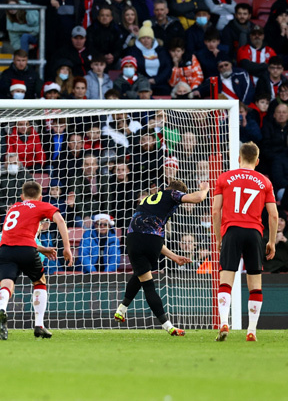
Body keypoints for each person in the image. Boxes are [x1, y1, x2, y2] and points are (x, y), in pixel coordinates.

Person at [114, 179, 210, 336]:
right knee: (148, 286)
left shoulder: (149, 199)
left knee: (141, 274)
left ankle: (121, 309)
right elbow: (198, 198)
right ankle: (169, 327)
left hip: (131, 239)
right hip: (151, 241)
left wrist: (173, 256)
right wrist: (204, 189)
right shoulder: (172, 194)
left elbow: (148, 233)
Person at [212, 142, 278, 342]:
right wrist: (272, 242)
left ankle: (224, 322)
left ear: (239, 159)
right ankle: (251, 331)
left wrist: (218, 238)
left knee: (226, 281)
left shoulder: (225, 178)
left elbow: (216, 210)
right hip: (254, 233)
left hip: (232, 231)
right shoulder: (265, 181)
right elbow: (273, 215)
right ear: (257, 161)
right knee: (255, 284)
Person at [0, 181, 73, 340]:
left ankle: (2, 310)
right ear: (40, 196)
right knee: (39, 282)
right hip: (27, 250)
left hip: (4, 250)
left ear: (22, 196)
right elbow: (60, 220)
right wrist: (66, 248)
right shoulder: (40, 205)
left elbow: (17, 236)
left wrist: (42, 249)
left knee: (7, 284)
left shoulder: (13, 208)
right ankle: (39, 325)